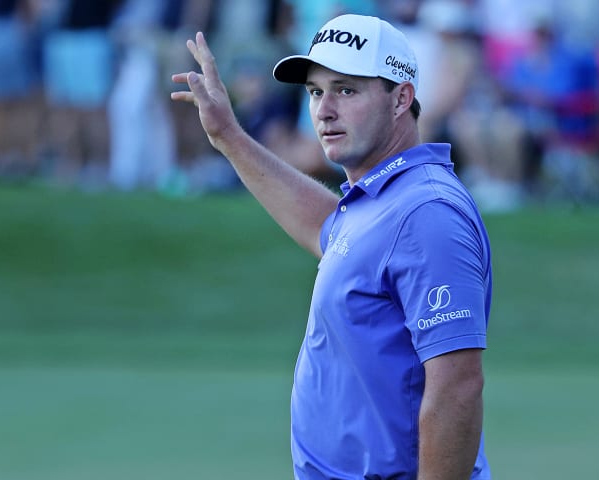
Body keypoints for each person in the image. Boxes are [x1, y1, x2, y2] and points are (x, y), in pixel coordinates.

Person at [171, 13, 492, 479]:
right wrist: (229, 137)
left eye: (346, 90)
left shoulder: (426, 214)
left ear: (401, 97)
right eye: (316, 92)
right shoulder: (381, 200)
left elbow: (458, 387)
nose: (323, 110)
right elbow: (332, 233)